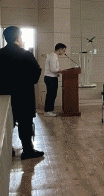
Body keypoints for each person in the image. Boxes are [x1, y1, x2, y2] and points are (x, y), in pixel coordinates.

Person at [0, 26, 43, 159]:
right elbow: (36, 75)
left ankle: (7, 150)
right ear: (18, 37)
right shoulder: (26, 54)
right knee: (25, 123)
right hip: (24, 95)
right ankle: (27, 150)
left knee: (7, 123)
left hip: (4, 95)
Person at [43, 42, 66, 116]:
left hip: (51, 77)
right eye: (63, 50)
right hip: (50, 78)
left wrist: (59, 72)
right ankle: (48, 111)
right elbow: (53, 69)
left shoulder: (53, 55)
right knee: (51, 95)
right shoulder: (53, 56)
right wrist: (61, 71)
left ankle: (50, 110)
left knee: (52, 95)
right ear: (59, 49)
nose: (64, 52)